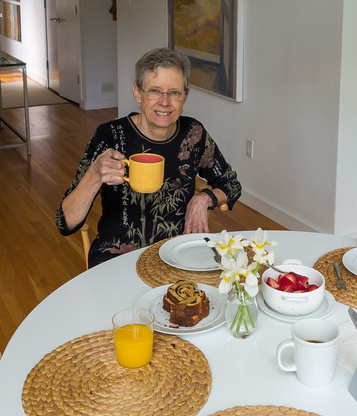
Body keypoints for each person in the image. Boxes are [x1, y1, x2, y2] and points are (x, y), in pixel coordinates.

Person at [56, 47, 242, 268]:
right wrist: (95, 175)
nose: (165, 102)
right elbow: (65, 222)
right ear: (137, 93)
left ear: (185, 96)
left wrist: (204, 198)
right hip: (117, 256)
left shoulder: (193, 133)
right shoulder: (110, 136)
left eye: (174, 92)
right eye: (155, 90)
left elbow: (230, 183)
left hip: (178, 252)